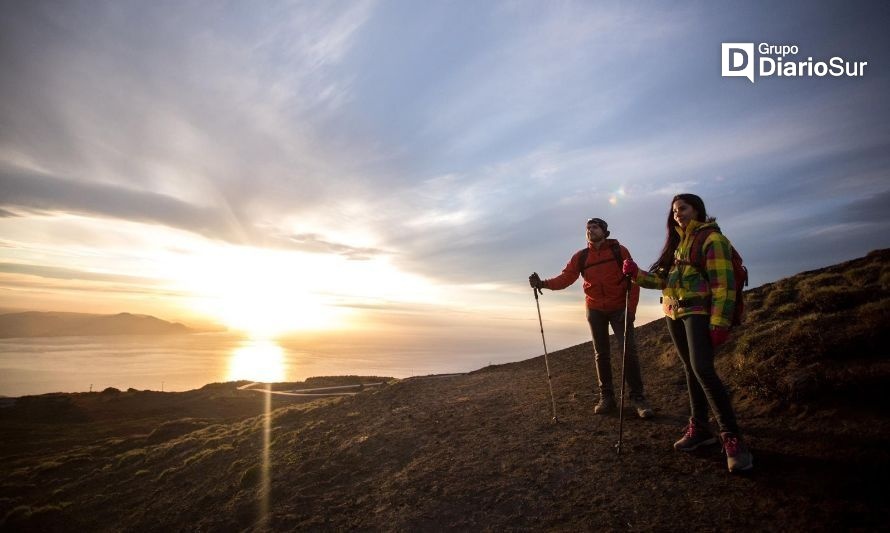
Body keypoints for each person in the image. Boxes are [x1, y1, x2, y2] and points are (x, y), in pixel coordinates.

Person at [622, 193, 753, 473]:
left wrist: (719, 322)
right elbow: (662, 281)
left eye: (683, 208)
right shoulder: (678, 244)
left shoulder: (712, 239)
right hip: (674, 314)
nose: (677, 213)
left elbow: (724, 285)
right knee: (690, 370)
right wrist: (636, 274)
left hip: (698, 314)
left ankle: (732, 438)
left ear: (697, 210)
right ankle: (701, 428)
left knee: (703, 370)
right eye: (674, 210)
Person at [529, 217, 653, 419]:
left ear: (605, 231)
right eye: (588, 228)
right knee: (601, 354)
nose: (590, 230)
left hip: (620, 307)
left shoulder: (619, 251)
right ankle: (607, 398)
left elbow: (634, 279)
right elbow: (566, 278)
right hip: (595, 309)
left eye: (595, 227)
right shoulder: (581, 256)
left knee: (628, 353)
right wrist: (542, 283)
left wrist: (631, 309)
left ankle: (638, 398)